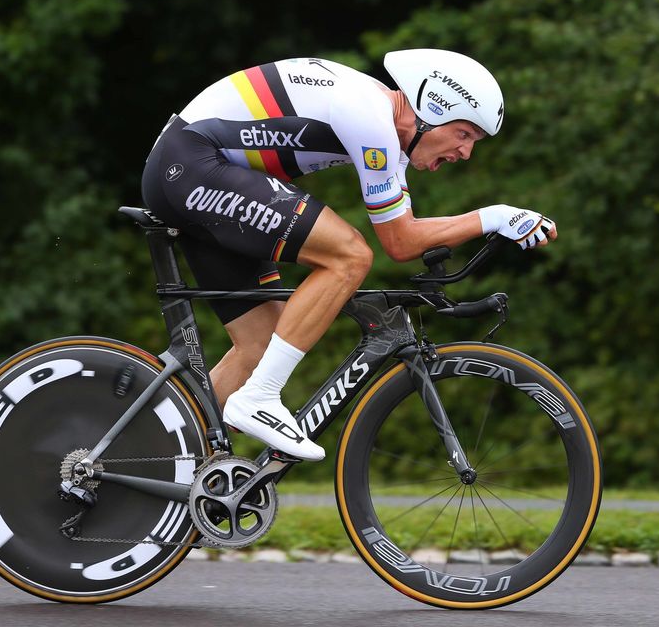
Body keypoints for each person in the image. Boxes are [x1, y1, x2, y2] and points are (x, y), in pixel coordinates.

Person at [141, 48, 557, 461]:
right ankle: (260, 398)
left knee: (260, 346)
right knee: (349, 256)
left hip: (195, 169)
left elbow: (405, 239)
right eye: (465, 134)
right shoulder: (370, 116)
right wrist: (493, 217)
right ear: (434, 109)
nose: (465, 153)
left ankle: (160, 463)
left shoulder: (387, 137)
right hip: (190, 163)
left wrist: (494, 219)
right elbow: (397, 242)